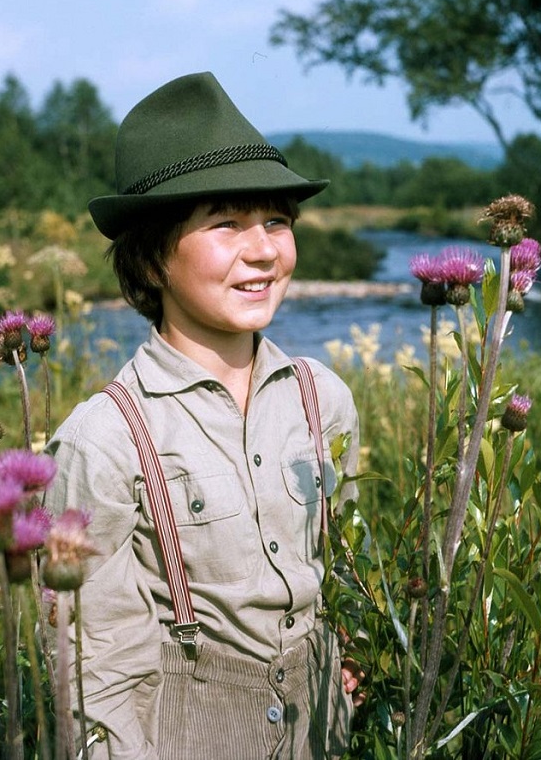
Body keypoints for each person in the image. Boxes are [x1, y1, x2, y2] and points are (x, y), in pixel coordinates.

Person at [47, 71, 361, 760]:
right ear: (153, 259)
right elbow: (96, 671)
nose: (263, 249)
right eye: (225, 222)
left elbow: (347, 571)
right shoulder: (104, 438)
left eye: (276, 219)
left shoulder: (324, 398)